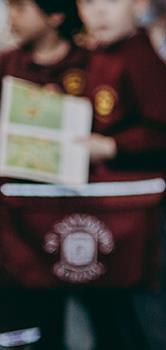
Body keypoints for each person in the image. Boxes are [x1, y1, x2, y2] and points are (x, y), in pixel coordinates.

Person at [1, 0, 166, 348]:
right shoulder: (95, 55)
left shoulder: (140, 59)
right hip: (104, 213)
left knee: (147, 320)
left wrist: (111, 146)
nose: (98, 12)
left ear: (139, 4)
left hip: (135, 216)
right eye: (88, 3)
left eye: (110, 1)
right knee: (112, 319)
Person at [0, 0, 87, 347]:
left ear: (55, 16)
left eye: (21, 8)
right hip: (13, 224)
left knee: (61, 319)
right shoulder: (7, 65)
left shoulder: (88, 65)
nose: (12, 17)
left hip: (66, 217)